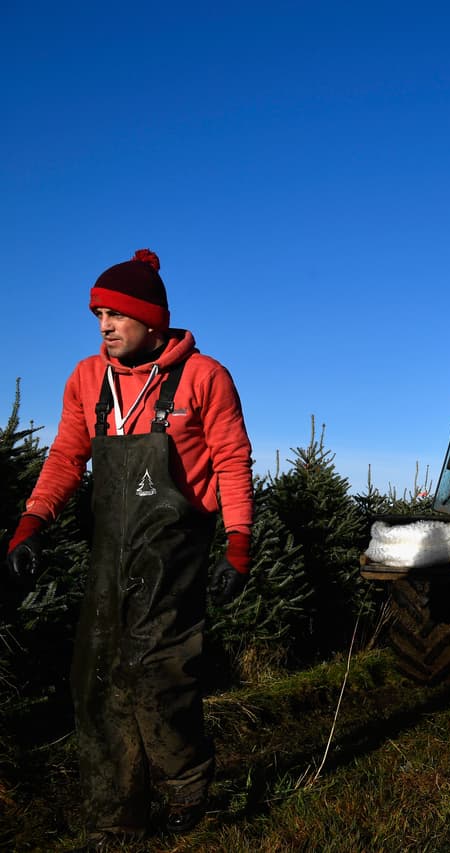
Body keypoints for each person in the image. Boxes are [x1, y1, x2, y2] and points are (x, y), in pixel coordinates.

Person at [4, 249, 254, 847]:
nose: (104, 327)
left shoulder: (204, 377)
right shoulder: (88, 380)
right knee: (97, 677)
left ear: (152, 320)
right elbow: (66, 457)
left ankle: (187, 778)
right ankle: (117, 814)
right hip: (110, 550)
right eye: (98, 316)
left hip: (175, 547)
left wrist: (238, 542)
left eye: (115, 314)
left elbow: (231, 459)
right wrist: (31, 523)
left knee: (159, 671)